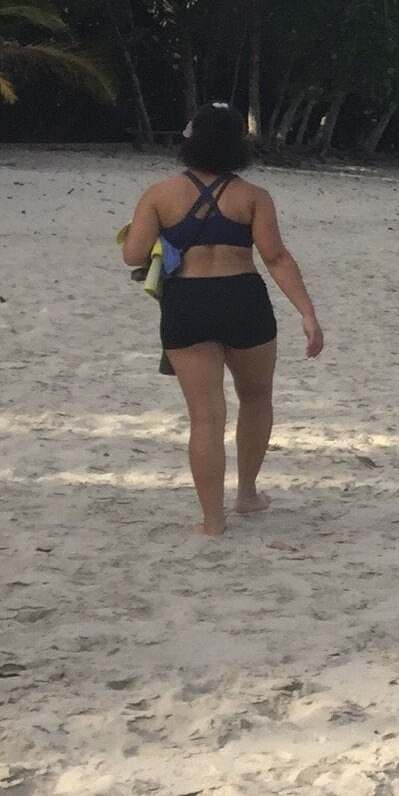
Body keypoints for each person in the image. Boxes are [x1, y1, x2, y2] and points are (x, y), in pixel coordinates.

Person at [119, 104, 324, 535]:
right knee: (256, 398)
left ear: (188, 144)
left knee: (206, 418)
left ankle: (212, 521)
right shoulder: (253, 197)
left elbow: (133, 255)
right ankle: (246, 493)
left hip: (187, 302)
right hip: (243, 299)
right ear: (238, 147)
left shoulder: (158, 194)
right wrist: (307, 314)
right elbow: (276, 258)